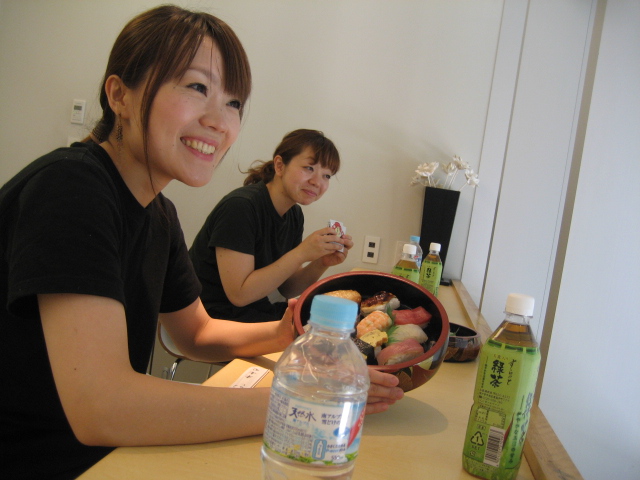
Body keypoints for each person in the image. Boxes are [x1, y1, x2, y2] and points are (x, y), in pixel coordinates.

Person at [0, 5, 402, 479]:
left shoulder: (159, 215)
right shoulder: (72, 188)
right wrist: (300, 401)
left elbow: (196, 333)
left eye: (234, 103)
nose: (220, 121)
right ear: (120, 95)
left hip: (108, 457)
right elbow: (102, 405)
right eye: (196, 87)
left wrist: (285, 333)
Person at [189, 129, 353, 323]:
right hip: (212, 318)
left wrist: (321, 262)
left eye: (327, 176)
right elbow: (239, 295)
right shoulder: (241, 207)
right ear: (280, 166)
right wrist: (302, 252)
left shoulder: (294, 215)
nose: (317, 182)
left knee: (339, 320)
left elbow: (288, 288)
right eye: (309, 168)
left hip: (252, 313)